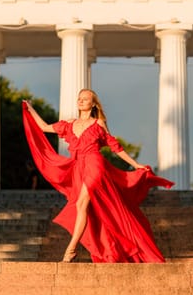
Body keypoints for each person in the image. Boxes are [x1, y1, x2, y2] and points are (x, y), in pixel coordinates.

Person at [22, 89, 174, 263]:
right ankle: (103, 246)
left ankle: (70, 249)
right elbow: (44, 127)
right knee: (85, 209)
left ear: (93, 104)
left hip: (95, 164)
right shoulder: (69, 124)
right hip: (78, 167)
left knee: (81, 204)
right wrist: (30, 109)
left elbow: (115, 147)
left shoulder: (99, 123)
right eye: (79, 98)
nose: (81, 101)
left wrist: (135, 165)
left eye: (85, 99)